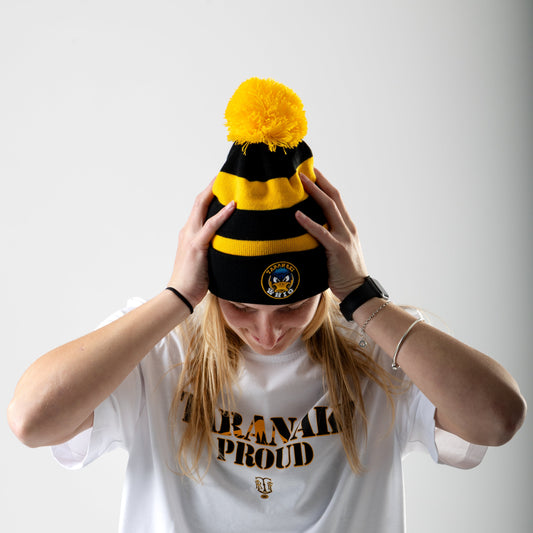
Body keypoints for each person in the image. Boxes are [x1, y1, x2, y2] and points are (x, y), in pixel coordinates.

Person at [7, 78, 526, 532]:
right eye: (240, 306)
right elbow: (31, 420)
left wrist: (362, 296)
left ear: (326, 285)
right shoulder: (159, 351)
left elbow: (498, 418)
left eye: (291, 307)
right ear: (209, 288)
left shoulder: (379, 348)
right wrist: (175, 298)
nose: (267, 331)